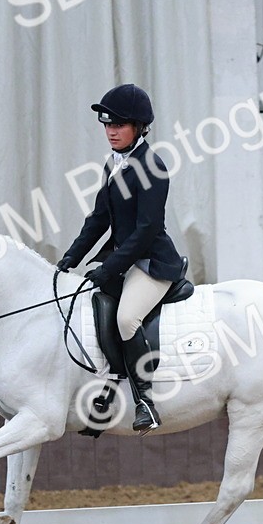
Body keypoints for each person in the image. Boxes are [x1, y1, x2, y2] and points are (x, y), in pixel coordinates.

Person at [56, 84, 185, 432]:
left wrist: (109, 268)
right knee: (89, 305)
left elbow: (146, 230)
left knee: (127, 318)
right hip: (123, 259)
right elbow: (99, 219)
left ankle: (145, 402)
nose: (111, 131)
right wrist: (69, 259)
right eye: (107, 124)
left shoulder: (151, 166)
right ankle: (108, 392)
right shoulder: (113, 163)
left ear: (140, 127)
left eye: (120, 124)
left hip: (150, 263)